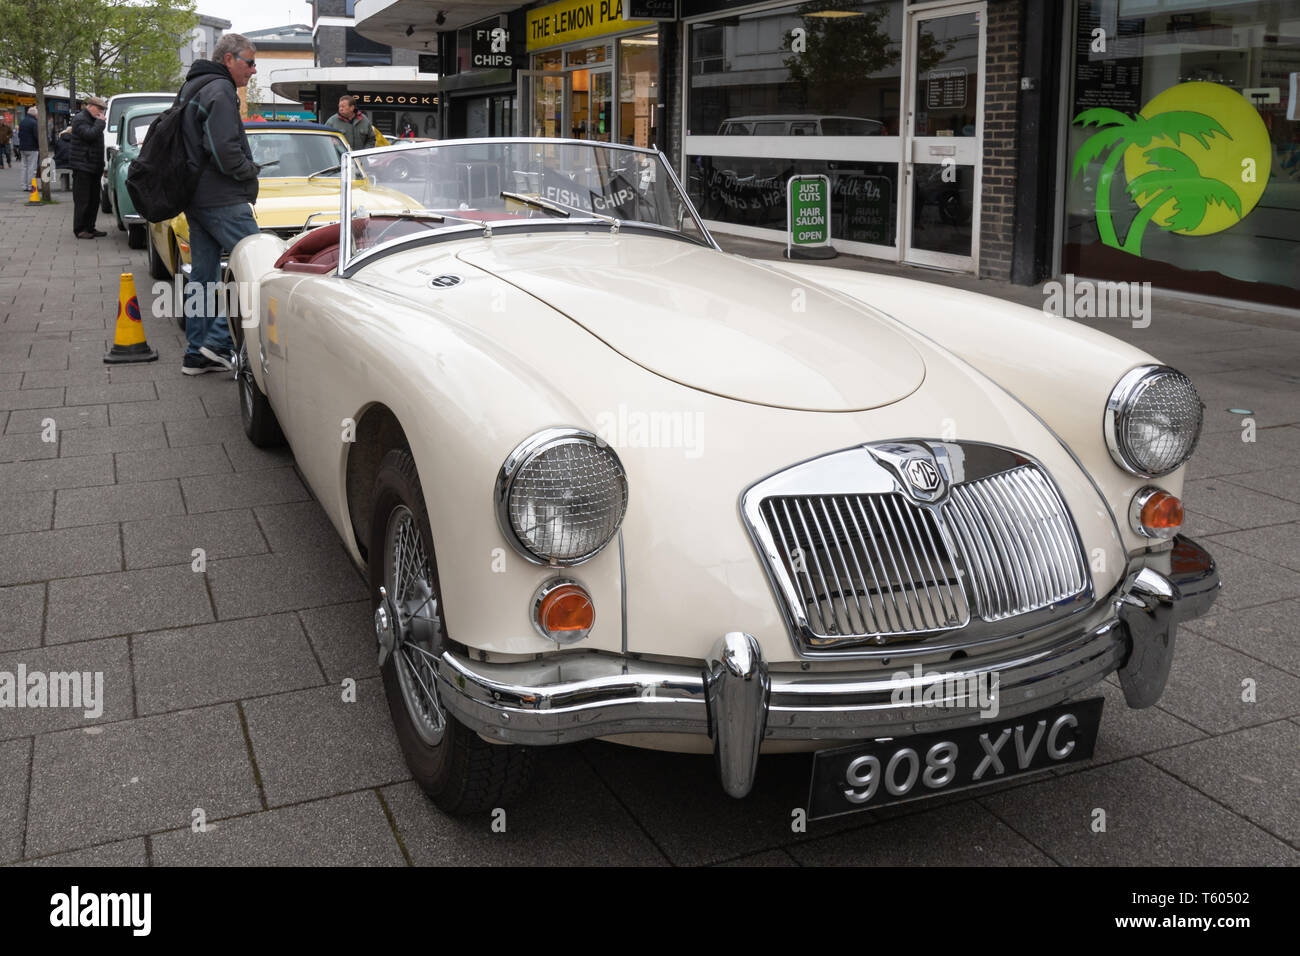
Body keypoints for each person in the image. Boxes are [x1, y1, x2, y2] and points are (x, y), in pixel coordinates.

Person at [177, 32, 261, 376]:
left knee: (204, 277)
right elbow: (224, 150)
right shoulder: (220, 89)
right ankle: (218, 341)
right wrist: (248, 173)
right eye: (250, 62)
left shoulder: (193, 86)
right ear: (229, 59)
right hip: (222, 198)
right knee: (259, 266)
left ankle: (196, 352)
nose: (254, 70)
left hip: (196, 197)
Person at [69, 96, 107, 238]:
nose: (101, 113)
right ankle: (80, 229)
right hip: (82, 165)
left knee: (93, 200)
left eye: (102, 111)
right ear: (90, 106)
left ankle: (90, 227)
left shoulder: (92, 119)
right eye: (99, 109)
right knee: (82, 200)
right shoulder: (80, 119)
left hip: (93, 166)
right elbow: (89, 135)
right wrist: (100, 123)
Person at [18, 106, 39, 188]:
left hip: (22, 147)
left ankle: (24, 185)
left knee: (24, 167)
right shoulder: (34, 122)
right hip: (32, 148)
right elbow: (36, 136)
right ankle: (31, 185)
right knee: (32, 168)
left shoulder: (22, 122)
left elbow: (19, 135)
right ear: (35, 114)